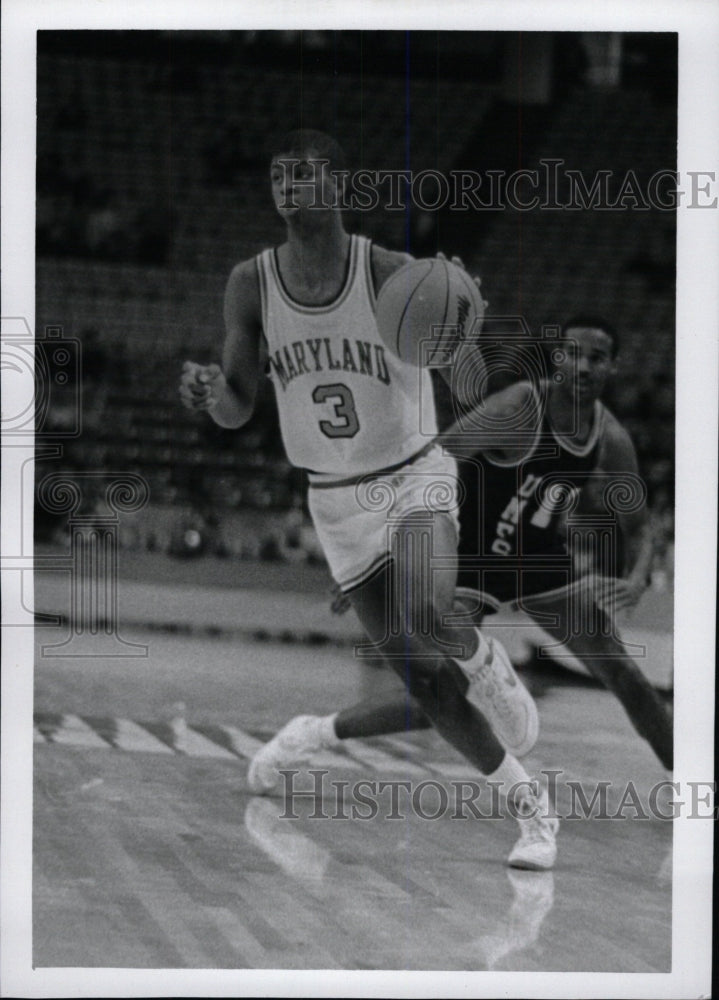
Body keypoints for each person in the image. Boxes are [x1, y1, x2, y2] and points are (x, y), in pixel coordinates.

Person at [179, 129, 559, 870]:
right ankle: (527, 804)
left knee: (429, 615)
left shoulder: (390, 272)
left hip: (415, 470)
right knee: (425, 685)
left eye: (304, 174)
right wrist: (205, 392)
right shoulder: (249, 283)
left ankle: (491, 670)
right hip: (334, 498)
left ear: (339, 187)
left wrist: (464, 321)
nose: (288, 186)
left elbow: (470, 384)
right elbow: (236, 407)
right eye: (277, 175)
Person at [262, 316, 673, 777]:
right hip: (468, 553)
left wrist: (637, 579)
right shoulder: (518, 406)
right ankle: (315, 732)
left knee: (627, 674)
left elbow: (640, 524)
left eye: (596, 358)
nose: (582, 367)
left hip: (536, 559)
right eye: (573, 354)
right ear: (557, 359)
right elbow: (435, 457)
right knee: (439, 694)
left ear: (613, 367)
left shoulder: (610, 439)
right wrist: (377, 547)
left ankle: (693, 784)